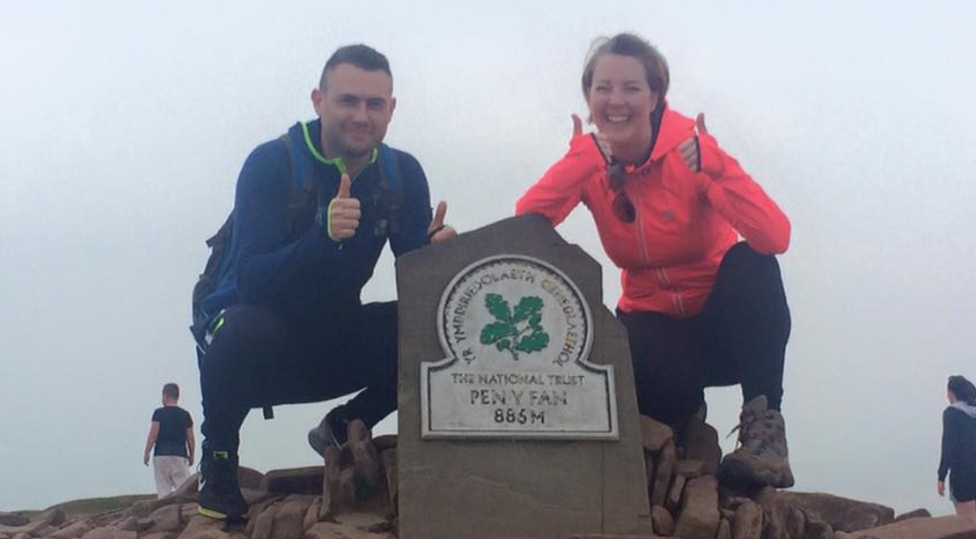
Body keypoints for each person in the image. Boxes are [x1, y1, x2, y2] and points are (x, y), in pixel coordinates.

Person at [516, 33, 793, 489]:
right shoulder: (590, 162)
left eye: (631, 88)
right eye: (602, 88)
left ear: (655, 95)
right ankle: (685, 427)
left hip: (726, 332)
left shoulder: (692, 152)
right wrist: (577, 161)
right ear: (588, 97)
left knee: (752, 263)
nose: (616, 100)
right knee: (628, 356)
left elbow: (775, 236)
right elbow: (525, 225)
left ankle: (765, 437)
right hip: (657, 332)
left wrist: (720, 167)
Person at [193, 44, 455, 521]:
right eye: (347, 101)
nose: (362, 115)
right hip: (255, 347)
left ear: (391, 109)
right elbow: (251, 281)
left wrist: (439, 255)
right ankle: (220, 459)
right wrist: (323, 237)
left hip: (334, 337)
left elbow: (414, 272)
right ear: (318, 101)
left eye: (375, 104)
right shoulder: (272, 164)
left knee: (436, 326)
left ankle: (343, 425)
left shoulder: (402, 175)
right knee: (244, 326)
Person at [143, 383, 195, 498]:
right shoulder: (185, 415)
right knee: (183, 489)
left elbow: (153, 434)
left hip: (161, 455)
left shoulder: (158, 413)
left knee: (163, 490)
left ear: (165, 396)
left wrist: (147, 452)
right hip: (180, 455)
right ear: (178, 396)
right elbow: (190, 437)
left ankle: (164, 511)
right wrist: (192, 455)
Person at [939, 375, 976, 520]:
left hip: (963, 475)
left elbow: (949, 446)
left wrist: (941, 476)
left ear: (952, 393)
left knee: (967, 523)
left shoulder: (952, 413)